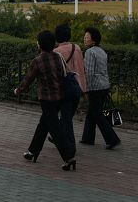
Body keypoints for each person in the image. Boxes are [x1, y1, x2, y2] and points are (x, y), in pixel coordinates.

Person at [13, 30, 77, 171]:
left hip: (47, 99)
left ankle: (69, 157)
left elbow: (28, 79)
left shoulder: (38, 60)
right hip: (60, 97)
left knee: (55, 129)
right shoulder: (58, 57)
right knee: (44, 124)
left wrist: (18, 90)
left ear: (40, 44)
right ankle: (33, 151)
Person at [81, 27, 121, 150]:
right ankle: (87, 138)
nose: (84, 39)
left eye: (87, 37)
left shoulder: (89, 52)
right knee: (92, 112)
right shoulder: (102, 51)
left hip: (95, 87)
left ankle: (112, 139)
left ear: (93, 40)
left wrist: (86, 88)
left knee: (97, 113)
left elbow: (89, 72)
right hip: (104, 86)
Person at [53, 23, 87, 153]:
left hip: (64, 89)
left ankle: (69, 147)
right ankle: (59, 138)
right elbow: (81, 69)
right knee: (67, 116)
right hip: (77, 88)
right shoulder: (77, 48)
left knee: (65, 119)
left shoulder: (56, 52)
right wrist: (83, 88)